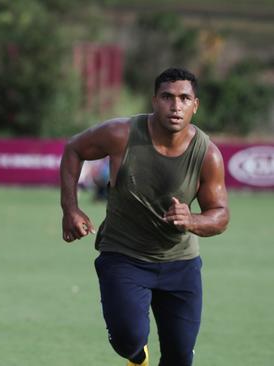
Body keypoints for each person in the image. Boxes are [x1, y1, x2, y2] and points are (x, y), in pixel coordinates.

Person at [60, 68, 229, 366]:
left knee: (179, 358)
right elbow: (74, 149)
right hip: (124, 255)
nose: (175, 106)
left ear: (195, 105)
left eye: (184, 98)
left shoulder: (207, 154)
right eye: (167, 97)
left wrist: (192, 220)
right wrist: (70, 209)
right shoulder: (121, 134)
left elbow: (220, 215)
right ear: (154, 101)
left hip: (180, 264)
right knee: (129, 340)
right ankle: (138, 356)